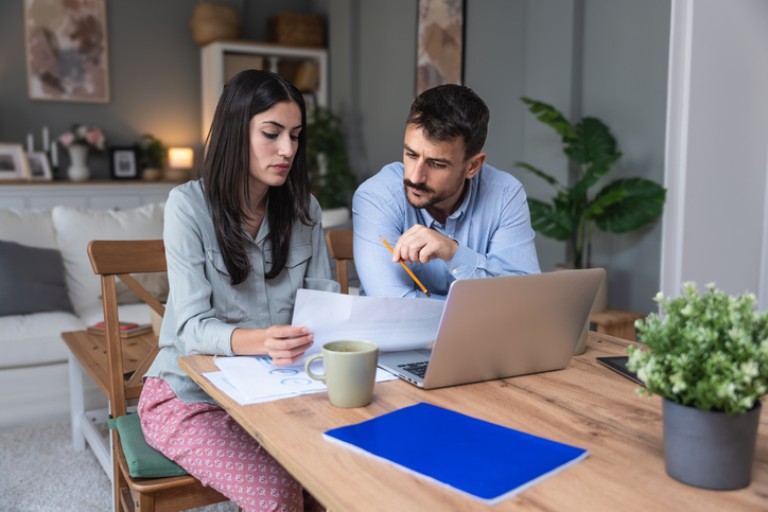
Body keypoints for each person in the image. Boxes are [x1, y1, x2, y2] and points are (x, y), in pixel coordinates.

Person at [138, 69, 336, 512]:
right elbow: (190, 329)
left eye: (295, 135)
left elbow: (327, 308)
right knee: (280, 498)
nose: (288, 149)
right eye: (271, 133)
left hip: (278, 394)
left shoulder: (305, 211)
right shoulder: (188, 206)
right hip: (191, 400)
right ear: (235, 131)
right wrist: (264, 341)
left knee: (337, 482)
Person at [352, 84, 540, 300]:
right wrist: (483, 302)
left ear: (472, 166)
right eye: (411, 155)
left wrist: (453, 253)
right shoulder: (377, 196)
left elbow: (524, 297)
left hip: (484, 335)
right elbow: (393, 305)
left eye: (437, 164)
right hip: (400, 334)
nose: (415, 177)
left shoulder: (505, 195)